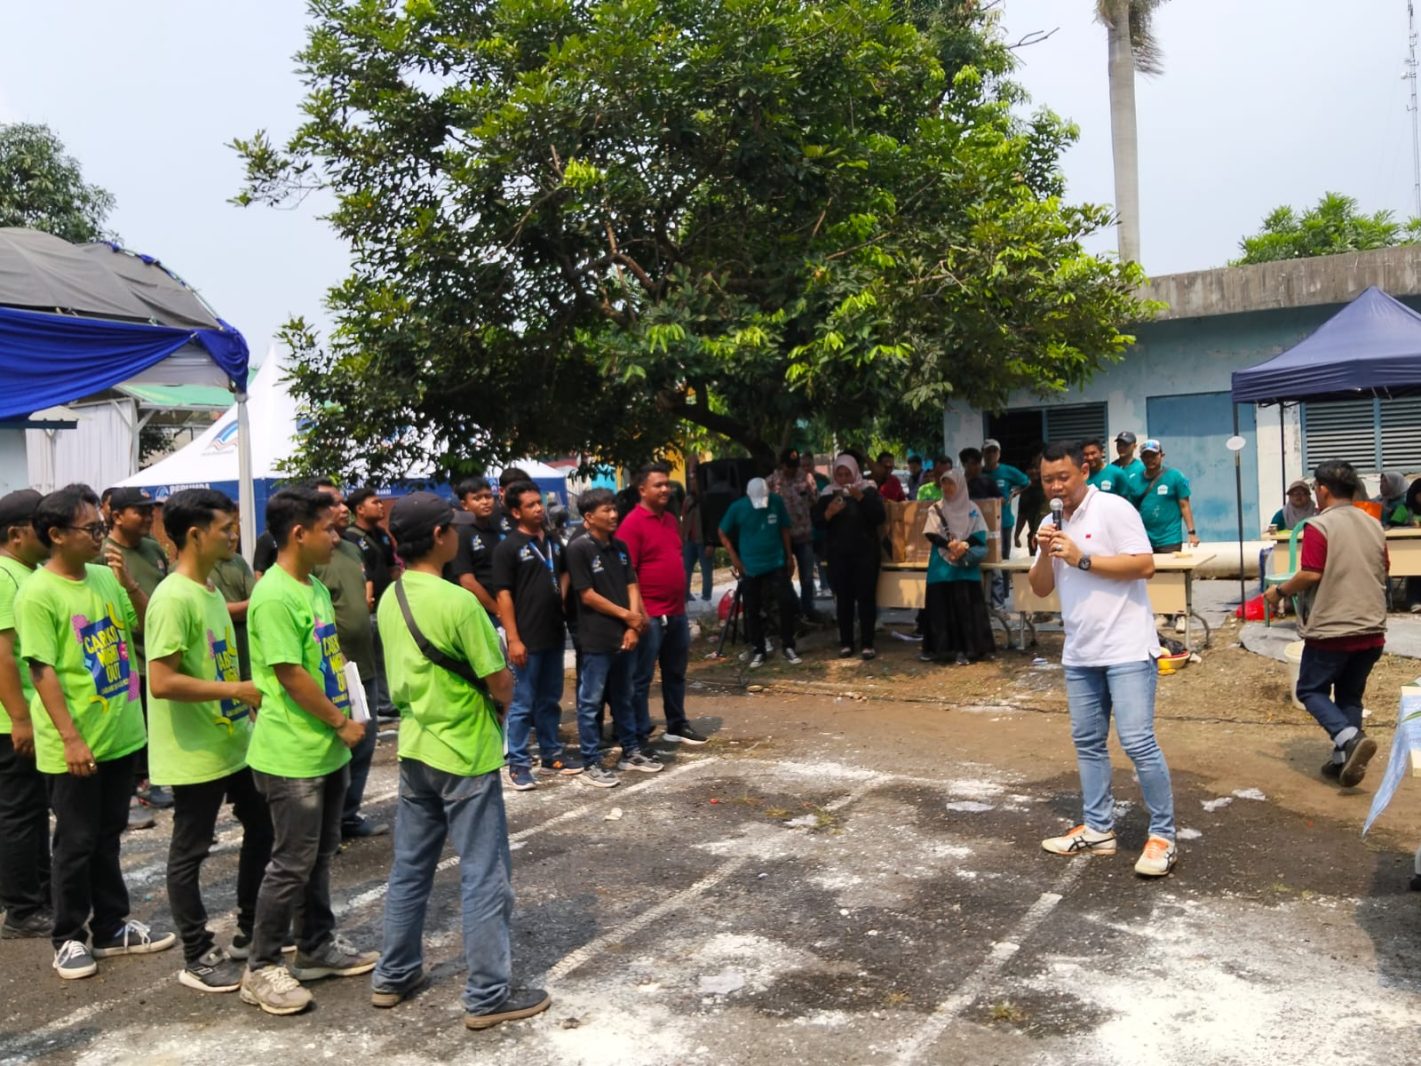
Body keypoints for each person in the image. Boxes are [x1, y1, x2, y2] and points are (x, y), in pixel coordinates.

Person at [370, 494, 550, 1029]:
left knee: (410, 868)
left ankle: (394, 973)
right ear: (439, 536)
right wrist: (503, 701)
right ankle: (488, 993)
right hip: (464, 749)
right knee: (484, 873)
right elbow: (499, 680)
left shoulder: (392, 595)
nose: (459, 535)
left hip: (416, 745)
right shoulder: (458, 602)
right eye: (453, 527)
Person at [16, 484, 178, 978]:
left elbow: (144, 625)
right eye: (91, 529)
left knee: (108, 836)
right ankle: (68, 936)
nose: (99, 537)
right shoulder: (37, 593)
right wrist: (70, 738)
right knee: (75, 842)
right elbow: (41, 671)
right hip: (76, 744)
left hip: (119, 734)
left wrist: (128, 584)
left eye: (101, 528)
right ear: (56, 534)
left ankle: (111, 927)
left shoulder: (105, 577)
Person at [240, 486, 376, 1016]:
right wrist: (340, 722)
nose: (336, 537)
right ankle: (261, 966)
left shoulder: (313, 586)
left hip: (326, 748)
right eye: (328, 529)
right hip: (292, 753)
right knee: (291, 862)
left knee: (319, 855)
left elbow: (324, 659)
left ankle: (316, 945)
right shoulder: (275, 595)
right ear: (299, 533)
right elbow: (290, 675)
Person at [1030, 442, 1177, 878]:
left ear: (1084, 472)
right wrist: (1045, 551)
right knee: (1088, 742)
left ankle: (1163, 836)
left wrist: (1083, 558)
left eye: (1063, 477)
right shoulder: (1050, 523)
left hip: (1126, 647)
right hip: (1081, 652)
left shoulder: (1113, 508)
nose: (1056, 487)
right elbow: (1040, 588)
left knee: (1137, 741)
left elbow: (1145, 565)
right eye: (1048, 480)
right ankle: (1098, 829)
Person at [144, 489, 270, 993]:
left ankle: (250, 927)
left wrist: (241, 699)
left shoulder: (211, 590)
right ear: (195, 535)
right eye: (226, 528)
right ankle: (196, 953)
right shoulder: (173, 598)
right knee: (190, 850)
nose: (234, 536)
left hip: (233, 740)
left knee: (263, 826)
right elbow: (161, 681)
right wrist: (237, 689)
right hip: (194, 752)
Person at [1264, 460, 1388, 787]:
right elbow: (1384, 567)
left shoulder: (1320, 526)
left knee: (1310, 689)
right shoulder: (1374, 524)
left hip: (1334, 628)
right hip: (1373, 629)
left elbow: (1310, 573)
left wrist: (1279, 591)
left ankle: (1349, 738)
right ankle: (1343, 761)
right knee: (1349, 696)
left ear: (1322, 489)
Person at [309, 481, 386, 841]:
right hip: (331, 670)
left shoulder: (352, 550)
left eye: (342, 503)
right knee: (335, 746)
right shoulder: (312, 558)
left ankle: (347, 816)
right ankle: (325, 825)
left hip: (362, 665)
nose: (342, 509)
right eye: (334, 504)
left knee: (365, 742)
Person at [565, 487, 654, 782]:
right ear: (589, 517)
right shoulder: (579, 548)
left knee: (624, 695)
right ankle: (591, 761)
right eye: (607, 510)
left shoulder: (620, 547)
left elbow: (631, 584)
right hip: (596, 637)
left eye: (614, 508)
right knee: (590, 701)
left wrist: (632, 625)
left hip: (625, 635)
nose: (614, 514)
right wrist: (627, 616)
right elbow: (587, 595)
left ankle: (630, 750)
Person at [619, 463, 709, 747]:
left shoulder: (671, 519)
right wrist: (640, 612)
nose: (665, 489)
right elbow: (628, 573)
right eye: (658, 485)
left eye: (667, 484)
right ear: (642, 489)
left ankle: (676, 723)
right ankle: (638, 733)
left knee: (675, 672)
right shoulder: (632, 524)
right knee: (641, 676)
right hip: (650, 614)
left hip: (676, 611)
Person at [493, 481, 573, 790]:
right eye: (531, 505)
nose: (539, 508)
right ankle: (518, 762)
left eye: (540, 503)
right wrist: (514, 639)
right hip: (526, 637)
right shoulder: (508, 548)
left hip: (553, 633)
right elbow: (503, 596)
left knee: (550, 699)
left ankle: (551, 753)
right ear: (516, 512)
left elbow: (564, 571)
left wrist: (560, 596)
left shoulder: (552, 541)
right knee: (522, 702)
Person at [0, 489, 51, 939]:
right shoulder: (4, 576)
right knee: (20, 813)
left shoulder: (26, 573)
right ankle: (22, 910)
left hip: (25, 717)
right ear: (16, 535)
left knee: (31, 811)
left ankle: (37, 893)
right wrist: (19, 718)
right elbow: (2, 654)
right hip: (11, 721)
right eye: (41, 525)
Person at [104, 486, 171, 816]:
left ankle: (153, 782)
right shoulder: (102, 554)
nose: (148, 517)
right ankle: (133, 789)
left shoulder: (153, 548)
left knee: (157, 724)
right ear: (117, 516)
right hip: (129, 658)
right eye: (140, 511)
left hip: (161, 650)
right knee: (135, 723)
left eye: (150, 511)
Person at [720, 477, 801, 668]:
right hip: (750, 567)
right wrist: (734, 557)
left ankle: (788, 645)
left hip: (776, 562)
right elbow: (722, 531)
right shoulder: (738, 508)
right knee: (752, 608)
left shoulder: (776, 502)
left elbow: (784, 528)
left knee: (786, 602)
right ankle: (758, 649)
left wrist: (789, 556)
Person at [812, 455, 886, 660]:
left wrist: (860, 497)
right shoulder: (828, 493)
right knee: (843, 599)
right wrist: (829, 512)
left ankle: (867, 643)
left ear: (855, 472)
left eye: (848, 474)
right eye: (840, 474)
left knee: (866, 598)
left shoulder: (868, 490)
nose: (844, 479)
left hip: (866, 553)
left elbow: (879, 516)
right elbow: (817, 522)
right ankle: (846, 643)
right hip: (838, 554)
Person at [921, 469, 995, 665]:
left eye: (951, 483)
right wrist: (950, 545)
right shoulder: (936, 508)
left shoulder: (972, 509)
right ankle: (943, 650)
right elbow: (931, 533)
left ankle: (970, 649)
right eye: (944, 483)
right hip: (941, 568)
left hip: (965, 566)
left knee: (966, 606)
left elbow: (980, 534)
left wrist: (963, 545)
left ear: (960, 485)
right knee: (941, 607)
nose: (946, 487)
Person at [345, 488, 398, 720]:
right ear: (359, 509)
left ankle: (388, 700)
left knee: (386, 656)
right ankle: (380, 704)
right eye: (374, 502)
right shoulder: (350, 538)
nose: (380, 505)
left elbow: (392, 567)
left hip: (388, 606)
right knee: (372, 659)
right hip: (368, 609)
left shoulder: (382, 534)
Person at [766, 446, 819, 617]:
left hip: (804, 534)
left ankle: (808, 609)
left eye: (795, 466)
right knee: (782, 576)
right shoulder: (772, 481)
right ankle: (793, 608)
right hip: (782, 537)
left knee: (807, 577)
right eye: (789, 466)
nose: (792, 470)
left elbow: (815, 500)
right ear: (782, 465)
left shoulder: (806, 478)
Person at [445, 476, 505, 620]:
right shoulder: (462, 533)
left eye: (488, 496)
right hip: (484, 612)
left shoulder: (499, 528)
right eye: (477, 498)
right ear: (464, 504)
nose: (485, 502)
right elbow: (467, 581)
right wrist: (498, 611)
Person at [1136, 439, 1199, 551]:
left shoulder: (1175, 476)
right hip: (1144, 540)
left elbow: (1184, 505)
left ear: (1162, 455)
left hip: (1169, 539)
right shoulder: (1135, 480)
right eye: (1146, 456)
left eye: (1153, 455)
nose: (1150, 459)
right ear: (1141, 458)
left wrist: (1192, 532)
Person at [210, 532, 256, 681]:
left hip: (243, 645)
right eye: (226, 529)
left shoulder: (239, 562)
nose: (234, 536)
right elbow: (210, 610)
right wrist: (245, 606)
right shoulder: (196, 569)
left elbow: (255, 602)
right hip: (215, 647)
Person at [680, 459, 715, 604]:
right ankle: (685, 595)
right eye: (691, 479)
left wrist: (711, 543)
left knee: (706, 571)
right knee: (685, 569)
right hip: (689, 540)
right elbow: (684, 520)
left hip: (704, 541)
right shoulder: (688, 500)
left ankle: (706, 598)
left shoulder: (708, 499)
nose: (692, 482)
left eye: (694, 479)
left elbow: (713, 523)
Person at [1013, 457, 1049, 557]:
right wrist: (1016, 536)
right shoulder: (1025, 493)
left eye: (1036, 468)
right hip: (1033, 539)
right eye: (1030, 468)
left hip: (1049, 536)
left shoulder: (1049, 490)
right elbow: (1022, 516)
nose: (1033, 471)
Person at [1100, 431, 1146, 504]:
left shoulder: (1141, 468)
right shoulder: (1112, 467)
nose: (1121, 447)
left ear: (1134, 446)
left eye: (1125, 445)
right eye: (1119, 445)